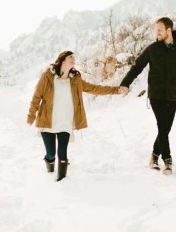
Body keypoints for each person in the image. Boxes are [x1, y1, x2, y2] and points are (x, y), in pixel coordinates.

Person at [27, 50, 129, 181]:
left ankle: (61, 181)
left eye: (73, 57)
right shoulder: (47, 76)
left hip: (65, 122)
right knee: (51, 154)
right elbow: (37, 97)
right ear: (62, 60)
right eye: (70, 57)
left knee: (62, 153)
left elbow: (95, 88)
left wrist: (116, 90)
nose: (73, 59)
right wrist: (31, 116)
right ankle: (50, 166)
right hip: (48, 121)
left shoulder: (75, 80)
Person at [120, 17, 176, 175]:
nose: (157, 33)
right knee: (162, 126)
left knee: (165, 129)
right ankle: (167, 160)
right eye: (156, 30)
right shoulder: (153, 49)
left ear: (169, 30)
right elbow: (137, 66)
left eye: (160, 30)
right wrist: (125, 83)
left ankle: (154, 156)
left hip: (173, 95)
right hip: (156, 95)